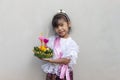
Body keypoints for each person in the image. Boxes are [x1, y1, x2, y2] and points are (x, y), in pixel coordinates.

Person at [39, 9, 79, 80]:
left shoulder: (71, 43)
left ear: (69, 24)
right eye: (56, 26)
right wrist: (42, 49)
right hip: (52, 72)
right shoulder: (53, 39)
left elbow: (66, 60)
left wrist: (51, 61)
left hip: (64, 74)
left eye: (61, 25)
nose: (59, 28)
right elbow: (47, 50)